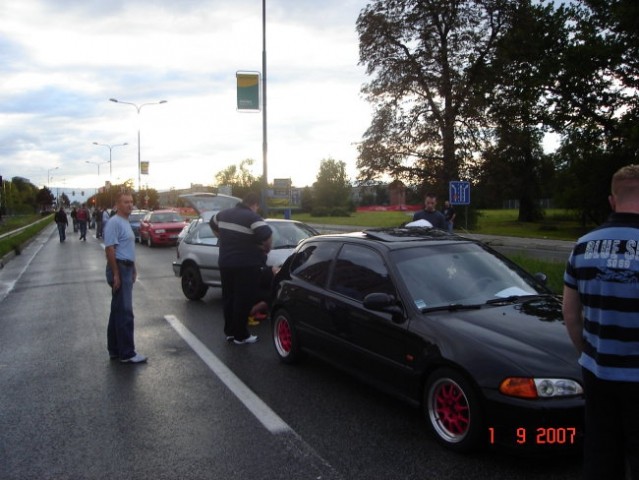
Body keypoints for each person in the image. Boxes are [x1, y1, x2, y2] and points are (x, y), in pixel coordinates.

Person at [563, 164, 639, 480]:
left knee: (600, 454)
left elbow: (570, 314)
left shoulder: (583, 246)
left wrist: (588, 351)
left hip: (597, 372)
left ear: (612, 200)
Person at [211, 192, 273, 345]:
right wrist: (266, 249)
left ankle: (230, 332)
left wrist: (222, 237)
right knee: (243, 299)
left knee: (229, 298)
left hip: (225, 263)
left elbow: (212, 224)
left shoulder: (223, 214)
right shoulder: (252, 217)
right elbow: (267, 235)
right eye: (257, 207)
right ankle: (241, 335)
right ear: (255, 205)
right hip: (246, 264)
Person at [104, 191, 147, 363]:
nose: (130, 204)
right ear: (117, 204)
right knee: (125, 313)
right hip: (120, 267)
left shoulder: (125, 222)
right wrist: (116, 273)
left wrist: (134, 268)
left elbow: (127, 248)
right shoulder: (114, 222)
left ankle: (115, 350)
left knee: (117, 312)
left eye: (131, 201)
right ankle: (127, 353)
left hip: (126, 267)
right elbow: (110, 249)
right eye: (125, 202)